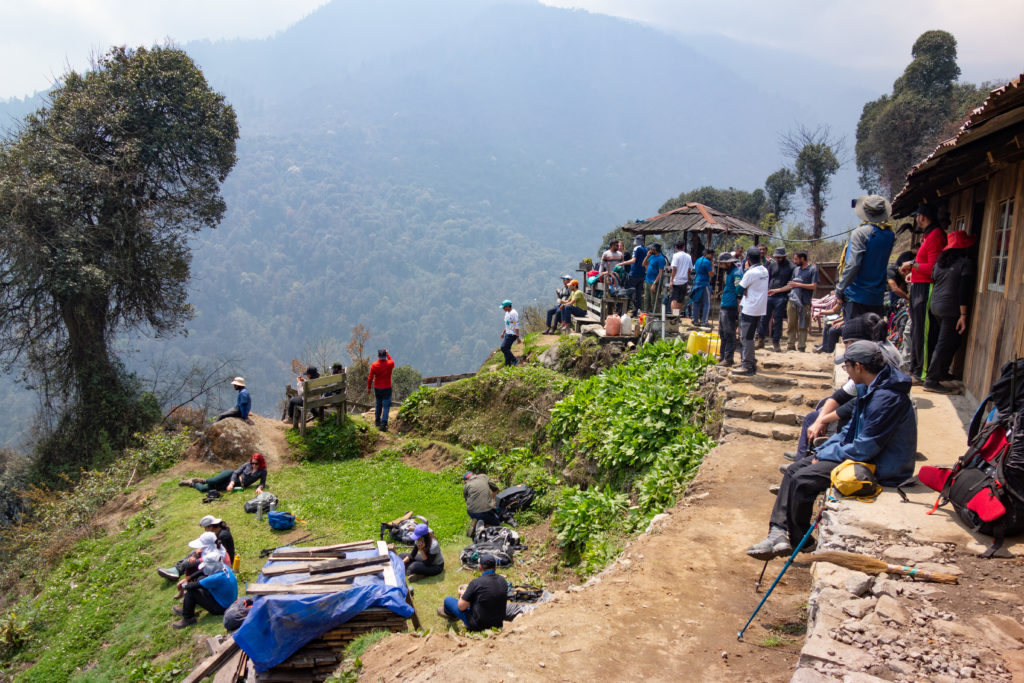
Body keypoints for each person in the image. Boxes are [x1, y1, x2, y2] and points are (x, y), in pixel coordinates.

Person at [747, 341, 916, 560]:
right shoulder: (870, 387)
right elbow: (849, 431)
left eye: (847, 367)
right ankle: (777, 532)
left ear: (858, 367)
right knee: (793, 470)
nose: (846, 372)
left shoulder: (886, 398)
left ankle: (800, 540)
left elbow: (865, 447)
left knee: (803, 479)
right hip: (861, 455)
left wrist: (826, 455)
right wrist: (823, 451)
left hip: (881, 465)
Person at [788, 314, 901, 463]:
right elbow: (842, 396)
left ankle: (808, 460)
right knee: (820, 413)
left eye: (847, 342)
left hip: (879, 432)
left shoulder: (873, 362)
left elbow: (856, 404)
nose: (845, 347)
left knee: (819, 420)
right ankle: (805, 456)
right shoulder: (874, 353)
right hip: (873, 420)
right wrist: (822, 418)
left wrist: (823, 420)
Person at [923, 230, 976, 393]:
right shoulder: (965, 263)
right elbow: (963, 290)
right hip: (951, 309)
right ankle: (931, 380)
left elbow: (933, 278)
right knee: (945, 344)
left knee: (953, 341)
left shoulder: (940, 263)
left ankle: (942, 372)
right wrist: (963, 315)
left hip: (935, 306)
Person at [901, 203, 947, 384]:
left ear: (922, 217)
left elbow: (935, 268)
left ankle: (923, 373)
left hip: (927, 289)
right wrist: (914, 272)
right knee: (916, 331)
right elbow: (925, 264)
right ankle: (915, 369)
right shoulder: (928, 236)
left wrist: (913, 265)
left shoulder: (935, 236)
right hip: (919, 286)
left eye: (916, 216)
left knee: (924, 332)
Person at [835, 195, 896, 320]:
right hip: (876, 297)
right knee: (873, 331)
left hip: (856, 297)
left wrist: (840, 289)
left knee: (855, 332)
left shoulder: (861, 233)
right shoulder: (890, 235)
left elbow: (853, 265)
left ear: (865, 212)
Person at [172, 531, 238, 629]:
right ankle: (187, 608)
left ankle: (188, 618)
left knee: (192, 592)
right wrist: (188, 578)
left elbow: (193, 586)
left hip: (222, 607)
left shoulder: (216, 577)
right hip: (228, 600)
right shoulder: (223, 567)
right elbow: (203, 571)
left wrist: (182, 585)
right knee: (200, 579)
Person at [438, 554, 508, 631]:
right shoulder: (503, 581)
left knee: (448, 600)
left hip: (478, 625)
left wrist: (462, 595)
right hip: (498, 623)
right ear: (495, 566)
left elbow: (461, 607)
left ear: (480, 567)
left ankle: (451, 615)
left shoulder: (476, 583)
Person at [158, 516, 236, 581]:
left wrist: (199, 556)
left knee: (191, 561)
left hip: (221, 561)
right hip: (215, 557)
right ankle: (177, 569)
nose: (205, 530)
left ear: (211, 526)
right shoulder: (219, 532)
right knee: (194, 553)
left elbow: (220, 554)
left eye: (205, 528)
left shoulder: (223, 536)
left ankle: (179, 570)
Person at [733, 247, 769, 376]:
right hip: (759, 308)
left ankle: (747, 365)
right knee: (751, 335)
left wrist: (742, 287)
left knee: (746, 337)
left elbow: (738, 290)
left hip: (749, 308)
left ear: (748, 259)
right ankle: (750, 361)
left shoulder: (750, 273)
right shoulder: (764, 270)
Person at [779, 251, 819, 352]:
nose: (794, 261)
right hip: (793, 300)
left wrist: (798, 285)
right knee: (791, 324)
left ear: (802, 259)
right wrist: (776, 290)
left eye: (796, 259)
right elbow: (791, 285)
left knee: (803, 325)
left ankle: (801, 346)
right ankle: (790, 345)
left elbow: (814, 286)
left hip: (805, 301)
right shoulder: (796, 270)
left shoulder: (813, 269)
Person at [179, 453, 268, 495]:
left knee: (204, 489)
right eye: (252, 463)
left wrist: (259, 488)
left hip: (239, 485)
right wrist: (232, 483)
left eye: (256, 463)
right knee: (213, 481)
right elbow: (236, 472)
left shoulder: (263, 471)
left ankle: (191, 483)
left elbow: (262, 482)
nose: (253, 465)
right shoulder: (247, 464)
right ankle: (201, 480)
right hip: (231, 476)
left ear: (260, 463)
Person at [759, 247, 795, 352]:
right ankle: (760, 340)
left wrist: (778, 291)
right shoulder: (772, 265)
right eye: (776, 257)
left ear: (784, 256)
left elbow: (791, 284)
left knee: (778, 320)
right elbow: (767, 279)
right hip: (769, 295)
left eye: (780, 257)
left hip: (781, 297)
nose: (778, 259)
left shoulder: (791, 267)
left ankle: (776, 342)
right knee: (764, 319)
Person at [717, 252, 742, 367]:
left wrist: (738, 305)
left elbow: (739, 289)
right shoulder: (728, 272)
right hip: (725, 304)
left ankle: (728, 358)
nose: (720, 266)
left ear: (727, 263)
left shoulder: (736, 273)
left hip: (731, 305)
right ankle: (722, 355)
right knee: (722, 333)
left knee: (729, 333)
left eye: (722, 264)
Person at [368, 349, 396, 430]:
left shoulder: (374, 365)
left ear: (378, 356)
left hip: (377, 388)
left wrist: (369, 388)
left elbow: (370, 378)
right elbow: (391, 360)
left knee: (378, 404)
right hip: (387, 387)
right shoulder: (390, 364)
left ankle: (377, 421)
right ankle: (383, 424)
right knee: (386, 406)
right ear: (385, 355)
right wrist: (388, 354)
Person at [620, 235, 648, 315]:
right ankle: (637, 310)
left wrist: (622, 263)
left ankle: (625, 310)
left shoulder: (636, 248)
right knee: (638, 294)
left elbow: (633, 260)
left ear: (638, 240)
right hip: (642, 274)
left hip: (634, 273)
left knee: (630, 291)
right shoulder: (645, 249)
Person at [690, 248, 715, 326]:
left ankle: (695, 320)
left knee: (696, 302)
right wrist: (713, 266)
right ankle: (704, 321)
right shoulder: (707, 262)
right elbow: (711, 274)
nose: (712, 257)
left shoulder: (698, 260)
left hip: (696, 282)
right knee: (707, 303)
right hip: (704, 283)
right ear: (707, 254)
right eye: (711, 255)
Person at [668, 241, 693, 315]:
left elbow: (674, 269)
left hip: (676, 281)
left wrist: (671, 280)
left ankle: (674, 316)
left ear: (676, 247)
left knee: (674, 299)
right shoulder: (688, 256)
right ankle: (677, 315)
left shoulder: (676, 256)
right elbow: (689, 270)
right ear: (684, 247)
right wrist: (688, 279)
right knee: (680, 300)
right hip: (684, 281)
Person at [642, 243, 666, 314]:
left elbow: (660, 273)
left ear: (655, 250)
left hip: (654, 282)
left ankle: (656, 315)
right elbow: (643, 264)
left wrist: (654, 283)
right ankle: (646, 314)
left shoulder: (661, 258)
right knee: (646, 299)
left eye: (652, 249)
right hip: (647, 280)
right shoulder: (652, 256)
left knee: (654, 300)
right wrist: (647, 256)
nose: (650, 250)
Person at [499, 300, 520, 367]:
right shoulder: (507, 313)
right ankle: (508, 365)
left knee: (503, 347)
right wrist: (503, 332)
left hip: (512, 334)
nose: (503, 309)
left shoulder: (513, 313)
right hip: (507, 333)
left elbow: (516, 325)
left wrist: (517, 336)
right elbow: (508, 324)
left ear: (508, 306)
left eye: (504, 307)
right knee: (507, 349)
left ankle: (514, 360)